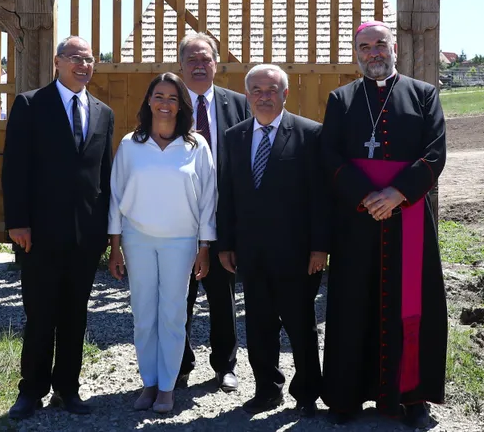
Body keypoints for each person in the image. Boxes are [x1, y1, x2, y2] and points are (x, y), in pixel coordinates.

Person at [320, 21, 447, 428]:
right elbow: (330, 156)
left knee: (413, 303)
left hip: (407, 215)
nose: (373, 52)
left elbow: (435, 154)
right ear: (356, 53)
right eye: (365, 46)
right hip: (357, 220)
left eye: (380, 44)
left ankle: (411, 396)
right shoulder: (341, 99)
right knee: (352, 302)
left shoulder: (424, 95)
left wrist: (396, 194)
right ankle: (347, 395)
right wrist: (367, 197)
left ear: (394, 48)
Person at [3, 36, 116, 420]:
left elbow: (105, 175)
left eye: (89, 60)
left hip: (86, 237)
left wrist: (106, 233)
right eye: (75, 59)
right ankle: (31, 390)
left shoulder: (103, 113)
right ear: (57, 62)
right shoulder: (31, 104)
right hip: (39, 234)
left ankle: (68, 388)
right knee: (40, 315)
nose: (83, 65)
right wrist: (17, 221)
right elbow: (15, 167)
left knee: (75, 314)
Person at [217, 64, 328, 417]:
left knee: (301, 325)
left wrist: (320, 246)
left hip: (297, 253)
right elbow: (228, 193)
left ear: (285, 94)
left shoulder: (310, 134)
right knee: (259, 325)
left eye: (271, 90)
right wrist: (226, 244)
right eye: (257, 91)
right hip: (251, 252)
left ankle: (307, 392)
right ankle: (267, 389)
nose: (264, 97)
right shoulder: (234, 136)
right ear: (247, 95)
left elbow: (320, 196)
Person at [107, 71, 216, 415]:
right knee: (143, 315)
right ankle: (149, 381)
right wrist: (115, 245)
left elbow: (208, 201)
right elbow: (115, 196)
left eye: (172, 97)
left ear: (181, 104)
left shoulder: (197, 146)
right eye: (159, 96)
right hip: (138, 240)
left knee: (172, 315)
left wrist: (204, 246)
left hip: (181, 242)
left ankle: (167, 387)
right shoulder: (131, 144)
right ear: (148, 101)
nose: (165, 104)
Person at [176, 32, 249, 392]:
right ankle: (180, 365)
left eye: (206, 59)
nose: (199, 66)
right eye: (192, 60)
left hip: (223, 218)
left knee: (223, 296)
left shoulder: (238, 104)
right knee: (180, 296)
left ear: (217, 64)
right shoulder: (167, 104)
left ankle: (225, 365)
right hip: (179, 218)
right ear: (180, 66)